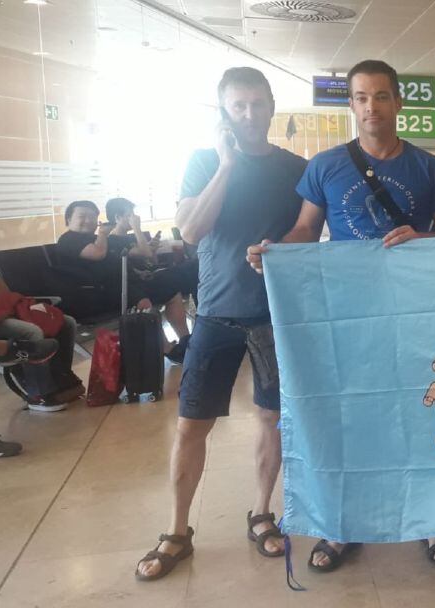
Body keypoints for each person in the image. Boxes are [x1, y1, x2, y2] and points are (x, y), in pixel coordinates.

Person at [246, 59, 435, 573]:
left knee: (422, 415)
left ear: (398, 102)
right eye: (362, 97)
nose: (372, 107)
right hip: (347, 319)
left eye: (382, 96)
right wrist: (274, 251)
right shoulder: (325, 166)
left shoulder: (428, 168)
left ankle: (433, 519)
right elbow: (305, 230)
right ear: (351, 105)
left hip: (413, 314)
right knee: (348, 419)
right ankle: (341, 526)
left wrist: (423, 238)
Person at [134, 67, 307, 582]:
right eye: (239, 106)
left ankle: (261, 512)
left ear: (273, 105)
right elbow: (190, 229)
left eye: (258, 103)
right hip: (214, 314)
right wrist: (227, 164)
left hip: (274, 316)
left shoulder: (295, 168)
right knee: (191, 426)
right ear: (224, 112)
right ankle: (178, 530)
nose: (250, 114)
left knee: (271, 420)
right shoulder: (204, 163)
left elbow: (307, 233)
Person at [56, 200, 193, 362]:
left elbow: (137, 256)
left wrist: (139, 268)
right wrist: (102, 234)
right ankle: (166, 348)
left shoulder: (99, 239)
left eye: (92, 217)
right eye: (82, 216)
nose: (88, 220)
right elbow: (98, 254)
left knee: (172, 291)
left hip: (120, 286)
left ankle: (186, 341)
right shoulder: (69, 239)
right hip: (92, 295)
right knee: (142, 300)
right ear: (68, 220)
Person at [0, 279, 82, 412]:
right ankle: (38, 393)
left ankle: (61, 375)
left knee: (67, 322)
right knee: (32, 332)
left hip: (3, 310)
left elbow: (3, 290)